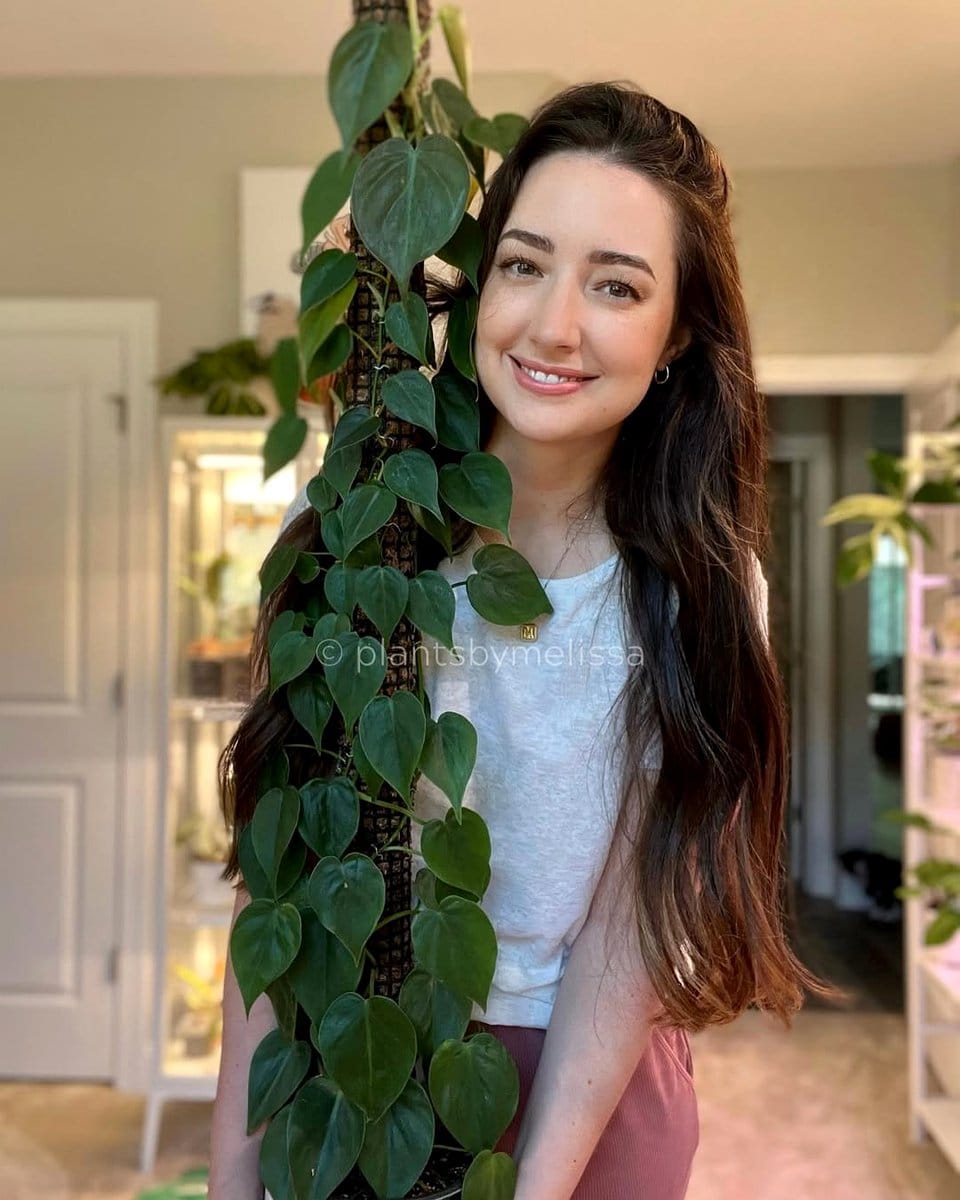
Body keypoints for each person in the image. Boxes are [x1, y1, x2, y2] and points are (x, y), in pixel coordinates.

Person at [209, 80, 835, 1200]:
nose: (554, 325)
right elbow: (282, 889)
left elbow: (628, 926)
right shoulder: (351, 532)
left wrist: (532, 1187)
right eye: (525, 264)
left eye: (616, 285)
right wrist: (230, 1176)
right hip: (353, 1069)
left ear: (680, 332)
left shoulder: (698, 586)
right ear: (480, 279)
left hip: (584, 1090)